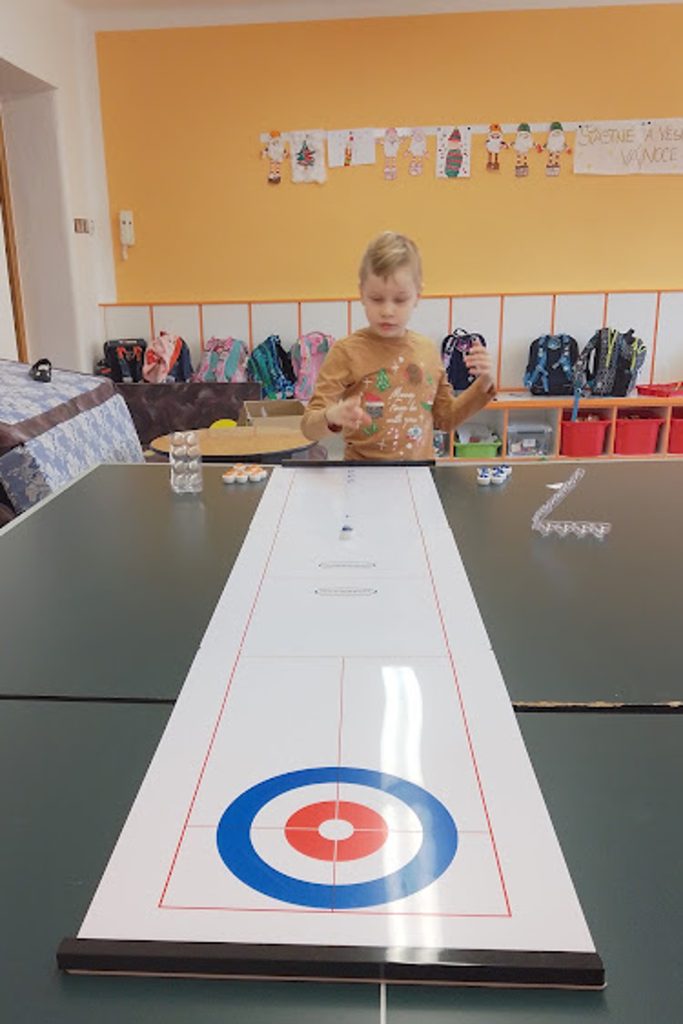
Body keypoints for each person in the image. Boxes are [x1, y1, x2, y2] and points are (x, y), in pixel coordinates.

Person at [300, 231, 495, 460]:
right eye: (376, 299)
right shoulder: (346, 352)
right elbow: (308, 427)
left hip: (418, 474)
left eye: (400, 300)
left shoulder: (427, 351)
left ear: (417, 296)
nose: (387, 311)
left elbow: (446, 419)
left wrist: (484, 383)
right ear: (362, 293)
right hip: (362, 473)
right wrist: (331, 416)